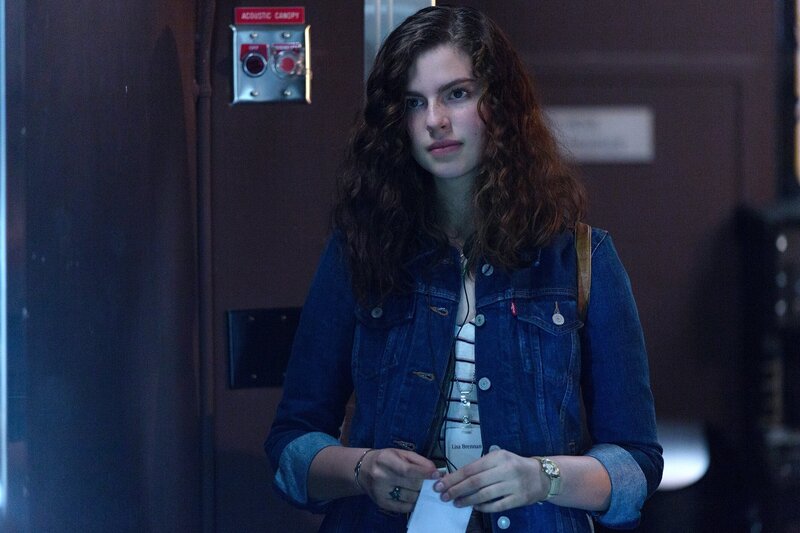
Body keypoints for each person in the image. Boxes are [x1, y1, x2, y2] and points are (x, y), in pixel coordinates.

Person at [265, 6, 662, 532]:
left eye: (456, 93)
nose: (435, 119)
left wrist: (542, 477)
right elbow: (290, 448)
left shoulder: (582, 258)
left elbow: (637, 465)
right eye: (414, 102)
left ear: (500, 103)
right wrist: (363, 469)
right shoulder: (358, 250)